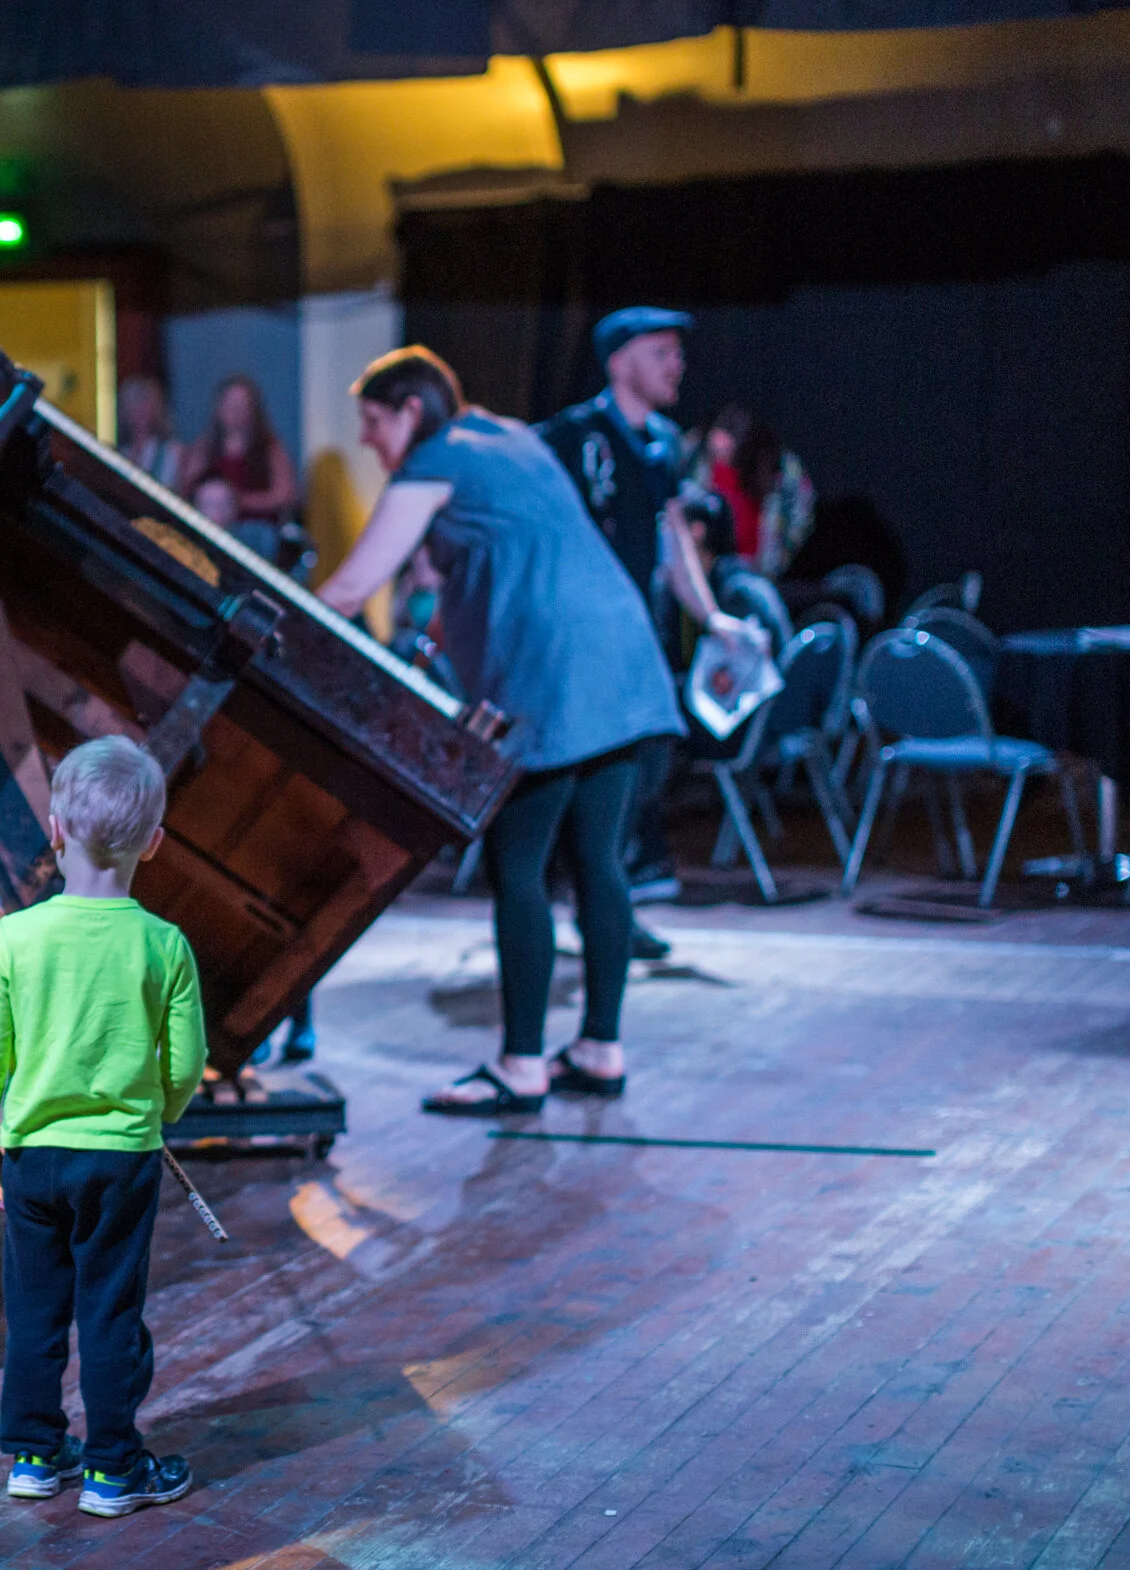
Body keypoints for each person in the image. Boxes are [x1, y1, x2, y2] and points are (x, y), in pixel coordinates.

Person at [317, 346, 721, 1113]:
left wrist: (273, 624)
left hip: (555, 672)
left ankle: (521, 1064)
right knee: (598, 858)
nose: (367, 440)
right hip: (623, 657)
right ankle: (600, 1048)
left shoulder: (434, 458)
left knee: (519, 864)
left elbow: (352, 584)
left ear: (409, 410)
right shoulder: (505, 436)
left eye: (372, 421)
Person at [0, 735, 205, 1517]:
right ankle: (111, 1469)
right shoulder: (163, 944)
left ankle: (33, 1454)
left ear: (56, 832)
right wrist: (158, 1113)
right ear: (154, 843)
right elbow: (187, 1062)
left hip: (32, 1159)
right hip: (120, 1160)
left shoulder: (16, 938)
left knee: (35, 1307)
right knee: (108, 1309)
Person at [538, 306, 751, 928]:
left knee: (642, 770)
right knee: (583, 777)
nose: (676, 364)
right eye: (661, 351)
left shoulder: (659, 445)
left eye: (676, 352)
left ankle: (608, 911)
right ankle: (585, 904)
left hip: (635, 640)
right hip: (581, 642)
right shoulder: (572, 436)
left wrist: (711, 618)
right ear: (620, 360)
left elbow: (673, 539)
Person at [690, 404, 816, 580]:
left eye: (726, 450)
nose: (720, 457)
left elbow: (801, 514)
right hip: (708, 569)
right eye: (715, 451)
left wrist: (780, 555)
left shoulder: (778, 469)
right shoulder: (698, 461)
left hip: (758, 570)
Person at [181, 375, 298, 528]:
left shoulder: (269, 448)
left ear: (253, 409)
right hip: (212, 529)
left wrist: (239, 501)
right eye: (230, 404)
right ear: (219, 407)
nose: (235, 411)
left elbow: (285, 495)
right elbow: (188, 489)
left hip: (256, 530)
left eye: (242, 405)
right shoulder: (206, 447)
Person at [117, 375, 185, 491]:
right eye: (134, 404)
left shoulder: (173, 452)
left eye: (145, 403)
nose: (141, 410)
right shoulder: (120, 454)